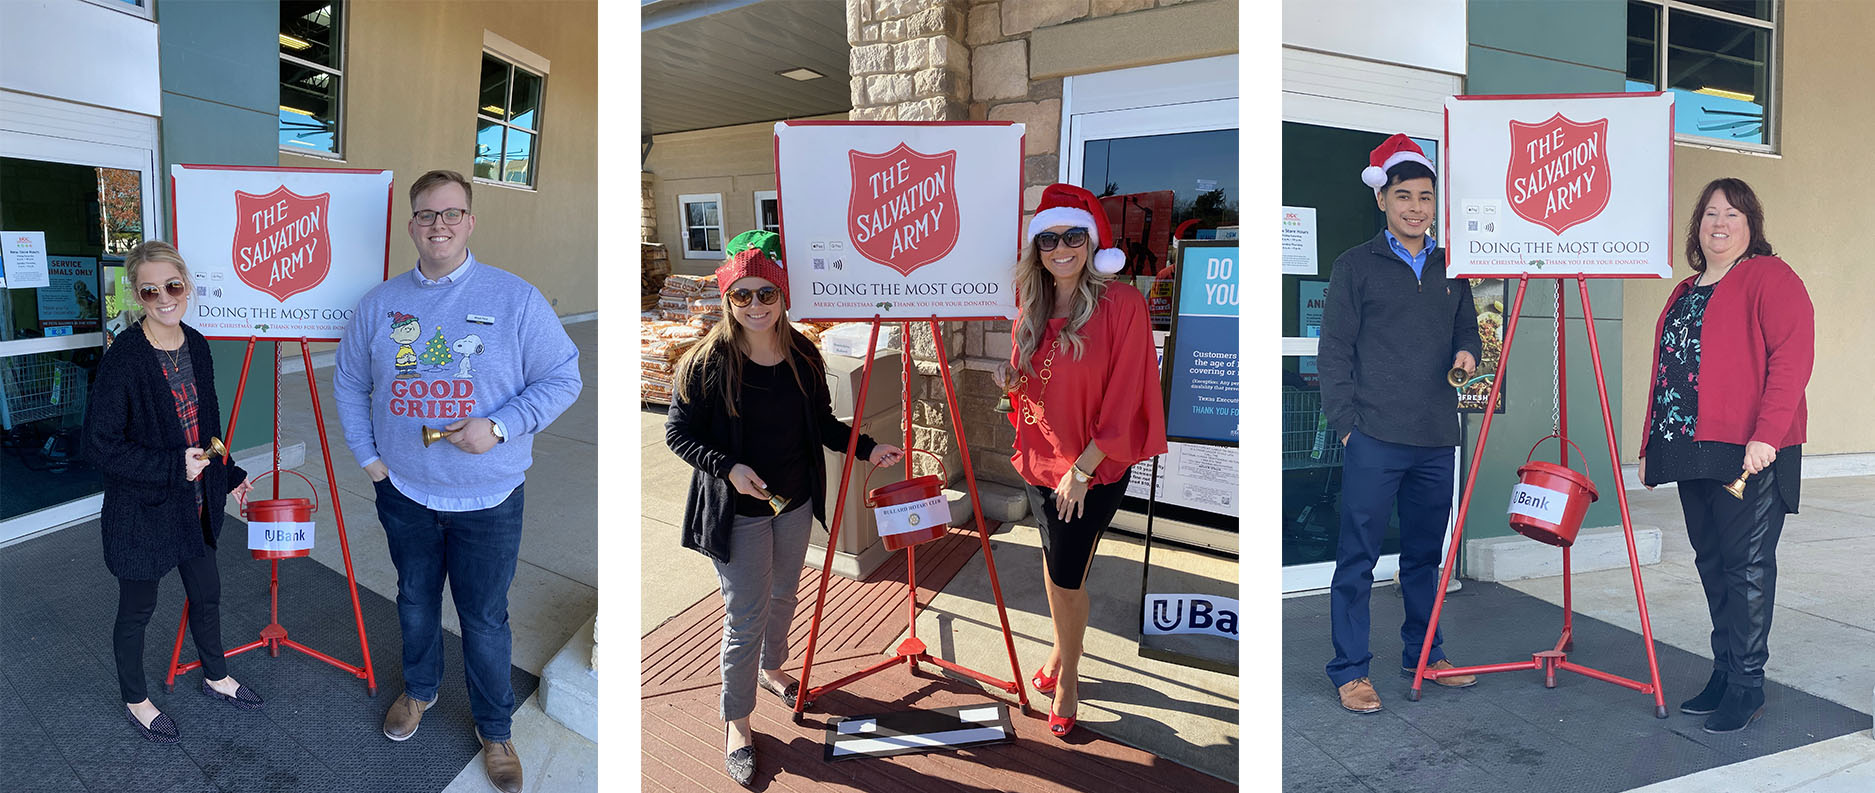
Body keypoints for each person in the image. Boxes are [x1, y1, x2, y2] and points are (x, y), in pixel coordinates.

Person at [334, 170, 582, 793]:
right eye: (426, 214)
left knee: (485, 617)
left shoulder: (515, 298)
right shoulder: (381, 303)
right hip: (406, 492)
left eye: (451, 213)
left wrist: (499, 426)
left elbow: (563, 377)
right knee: (415, 601)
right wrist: (370, 460)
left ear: (470, 221)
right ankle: (419, 691)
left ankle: (495, 727)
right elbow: (349, 382)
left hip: (489, 498)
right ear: (411, 224)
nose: (438, 224)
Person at [666, 230, 904, 787]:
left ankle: (775, 668)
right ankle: (737, 724)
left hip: (794, 503)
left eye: (765, 294)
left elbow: (822, 424)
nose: (755, 305)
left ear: (783, 297)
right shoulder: (706, 364)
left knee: (784, 593)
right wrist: (727, 467)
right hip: (738, 512)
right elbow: (678, 434)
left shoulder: (802, 353)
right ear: (727, 298)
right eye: (742, 295)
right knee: (743, 618)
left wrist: (869, 448)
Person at [1639, 177, 1812, 734]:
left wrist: (1768, 433)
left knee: (1747, 568)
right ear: (1698, 225)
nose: (1720, 223)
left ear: (1750, 225)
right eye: (1711, 213)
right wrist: (1650, 444)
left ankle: (1748, 684)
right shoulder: (1685, 290)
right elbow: (1667, 370)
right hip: (1692, 448)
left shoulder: (1771, 277)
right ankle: (1724, 671)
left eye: (1733, 214)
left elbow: (1792, 359)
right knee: (1712, 563)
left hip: (1751, 450)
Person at [995, 184, 1168, 739]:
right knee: (1056, 564)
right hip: (1041, 461)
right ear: (1036, 247)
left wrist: (1083, 470)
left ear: (1091, 243)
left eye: (1073, 236)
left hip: (1091, 470)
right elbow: (1035, 380)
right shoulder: (1034, 303)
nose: (1061, 248)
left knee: (1068, 574)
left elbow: (1126, 397)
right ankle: (1058, 651)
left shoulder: (1124, 305)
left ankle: (1068, 676)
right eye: (1049, 238)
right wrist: (1010, 380)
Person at [1318, 135, 1482, 714]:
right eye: (1404, 196)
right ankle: (1350, 670)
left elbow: (1469, 333)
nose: (1416, 207)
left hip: (1436, 437)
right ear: (1382, 200)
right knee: (1357, 559)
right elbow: (1333, 351)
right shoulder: (1354, 267)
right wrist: (1347, 427)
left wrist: (1467, 355)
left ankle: (1426, 654)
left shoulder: (1452, 266)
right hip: (1374, 439)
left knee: (1423, 557)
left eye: (1426, 198)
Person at [83, 240, 258, 742]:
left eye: (173, 286)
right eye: (150, 290)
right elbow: (99, 446)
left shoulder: (197, 344)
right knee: (137, 609)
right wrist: (168, 466)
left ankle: (216, 675)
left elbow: (210, 428)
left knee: (207, 594)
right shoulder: (125, 359)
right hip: (142, 511)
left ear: (187, 287)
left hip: (195, 505)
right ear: (137, 296)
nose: (164, 297)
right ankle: (136, 700)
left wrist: (230, 473)